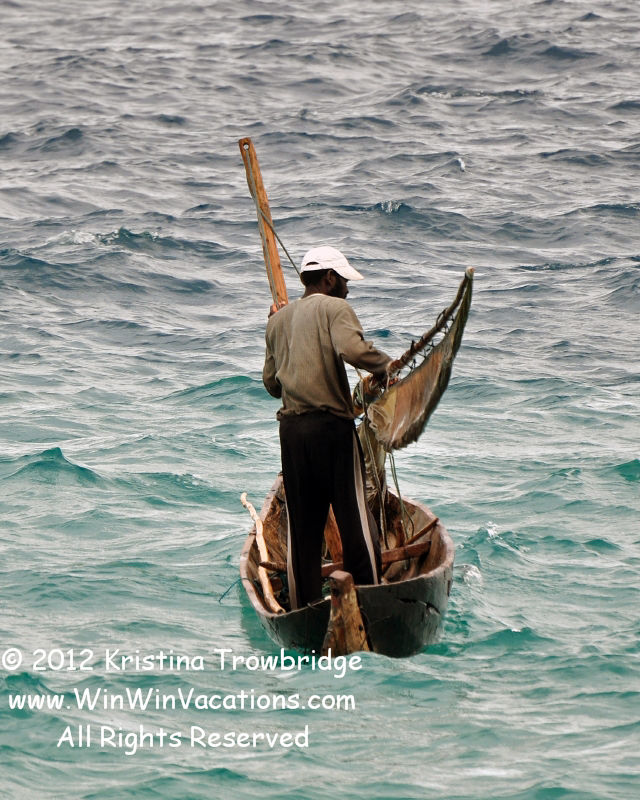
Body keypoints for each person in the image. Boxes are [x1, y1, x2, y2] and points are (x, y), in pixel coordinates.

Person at [262, 246, 391, 609]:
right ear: (330, 278)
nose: (348, 289)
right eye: (345, 281)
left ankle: (303, 610)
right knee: (355, 523)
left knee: (303, 531)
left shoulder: (277, 322)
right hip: (332, 431)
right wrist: (386, 366)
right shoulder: (336, 308)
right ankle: (369, 603)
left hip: (292, 435)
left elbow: (272, 385)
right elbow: (354, 351)